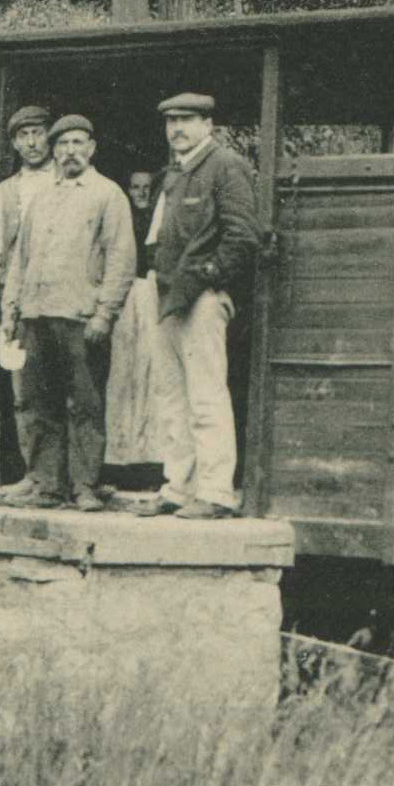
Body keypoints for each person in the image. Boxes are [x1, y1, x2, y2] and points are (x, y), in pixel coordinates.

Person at [0, 116, 136, 511]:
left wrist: (104, 314)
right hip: (36, 316)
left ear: (92, 149)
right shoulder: (41, 198)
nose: (70, 151)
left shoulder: (108, 195)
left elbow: (121, 259)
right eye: (62, 144)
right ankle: (48, 486)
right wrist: (11, 311)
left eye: (78, 143)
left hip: (80, 318)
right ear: (54, 150)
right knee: (41, 405)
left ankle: (85, 486)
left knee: (85, 405)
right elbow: (20, 261)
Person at [136, 92, 260, 520]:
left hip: (201, 300)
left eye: (187, 120)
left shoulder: (226, 167)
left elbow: (244, 237)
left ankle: (215, 492)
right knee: (172, 398)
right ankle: (178, 487)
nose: (177, 129)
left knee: (206, 395)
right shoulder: (175, 173)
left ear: (209, 125)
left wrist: (207, 279)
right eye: (171, 122)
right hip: (168, 299)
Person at [0, 105, 55, 498]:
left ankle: (74, 479)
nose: (32, 142)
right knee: (24, 394)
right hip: (17, 309)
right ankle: (35, 476)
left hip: (64, 304)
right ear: (14, 143)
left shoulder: (68, 183)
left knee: (71, 392)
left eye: (38, 133)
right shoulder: (3, 194)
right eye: (24, 136)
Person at [126, 169, 157, 270]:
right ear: (129, 191)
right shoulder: (123, 218)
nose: (141, 193)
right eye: (136, 187)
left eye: (146, 187)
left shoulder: (160, 218)